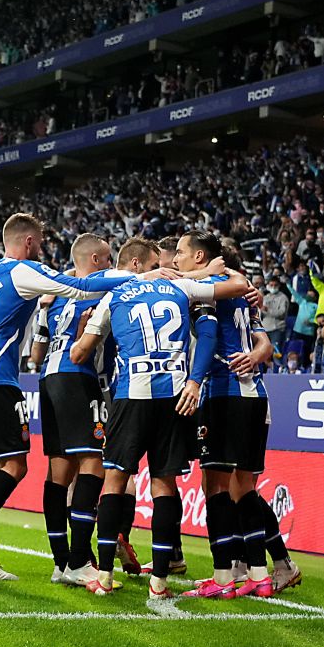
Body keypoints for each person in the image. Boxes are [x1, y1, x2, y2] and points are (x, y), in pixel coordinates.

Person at [0, 213, 143, 582]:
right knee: (16, 466)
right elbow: (78, 287)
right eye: (41, 240)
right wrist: (143, 277)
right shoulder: (23, 269)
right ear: (29, 242)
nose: (43, 246)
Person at [70, 230, 251, 603]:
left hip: (131, 397)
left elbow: (81, 352)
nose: (165, 268)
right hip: (174, 397)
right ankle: (161, 581)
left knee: (115, 481)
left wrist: (84, 332)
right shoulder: (182, 289)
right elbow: (237, 286)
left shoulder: (114, 295)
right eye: (160, 265)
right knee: (164, 485)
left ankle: (103, 574)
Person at [181, 237, 297, 600]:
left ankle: (225, 574)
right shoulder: (241, 294)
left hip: (226, 390)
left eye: (181, 254)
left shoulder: (215, 289)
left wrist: (197, 380)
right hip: (250, 393)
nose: (177, 260)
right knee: (241, 486)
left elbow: (240, 334)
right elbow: (263, 341)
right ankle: (258, 572)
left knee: (216, 486)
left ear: (206, 259)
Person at [29, 233, 118, 586]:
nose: (111, 265)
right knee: (93, 463)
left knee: (58, 471)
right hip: (76, 376)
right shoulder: (97, 285)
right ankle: (79, 560)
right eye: (108, 259)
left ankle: (61, 562)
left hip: (49, 378)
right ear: (95, 260)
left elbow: (35, 354)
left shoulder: (57, 295)